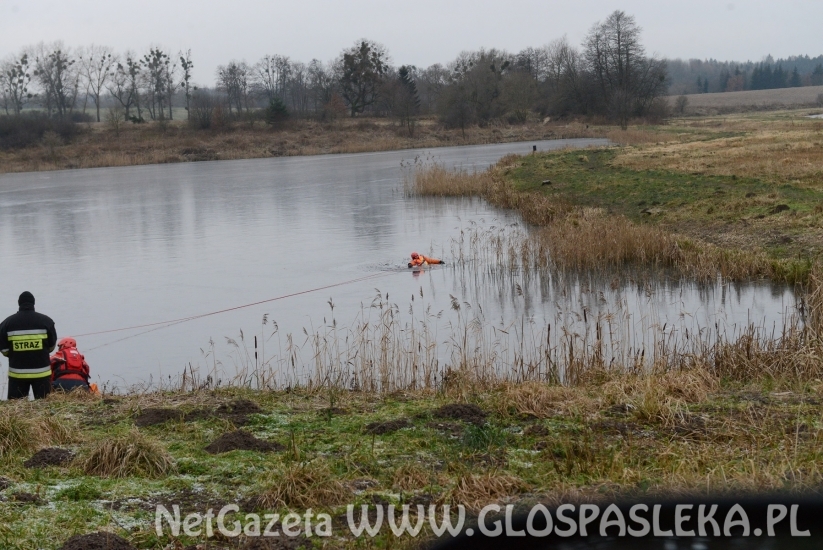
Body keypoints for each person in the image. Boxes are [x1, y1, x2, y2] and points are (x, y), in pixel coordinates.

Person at [0, 291, 57, 400]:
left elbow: (4, 350)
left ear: (19, 303)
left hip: (17, 375)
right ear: (33, 303)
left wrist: (15, 353)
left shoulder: (6, 324)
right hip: (42, 374)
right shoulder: (47, 322)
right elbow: (51, 347)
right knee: (44, 409)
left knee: (16, 411)